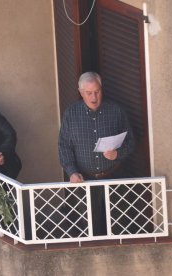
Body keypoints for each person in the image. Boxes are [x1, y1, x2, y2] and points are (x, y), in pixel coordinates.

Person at [58, 72, 135, 236]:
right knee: (88, 229)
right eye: (89, 93)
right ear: (81, 92)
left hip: (114, 177)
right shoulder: (71, 114)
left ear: (102, 90)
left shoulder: (116, 111)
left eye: (97, 91)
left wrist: (118, 154)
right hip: (84, 180)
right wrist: (71, 172)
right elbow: (64, 146)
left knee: (118, 225)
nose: (94, 97)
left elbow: (131, 142)